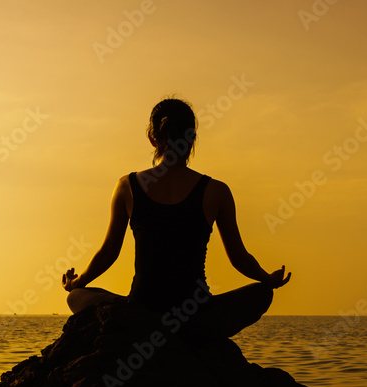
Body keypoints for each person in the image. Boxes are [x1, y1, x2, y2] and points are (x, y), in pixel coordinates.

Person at [62, 97, 290, 339]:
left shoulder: (126, 186)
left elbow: (108, 253)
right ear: (192, 137)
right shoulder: (216, 190)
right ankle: (194, 333)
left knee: (75, 297)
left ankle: (149, 327)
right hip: (196, 315)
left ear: (152, 138)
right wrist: (267, 279)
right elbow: (238, 258)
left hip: (142, 312)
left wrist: (78, 282)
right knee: (263, 293)